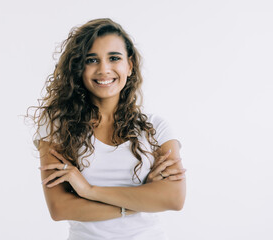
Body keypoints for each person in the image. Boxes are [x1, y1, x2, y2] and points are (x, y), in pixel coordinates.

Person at [26, 18, 186, 240]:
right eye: (92, 60)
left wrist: (89, 192)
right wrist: (142, 200)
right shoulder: (57, 126)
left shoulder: (155, 127)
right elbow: (60, 208)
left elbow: (173, 199)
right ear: (79, 68)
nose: (104, 69)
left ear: (129, 66)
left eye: (114, 58)